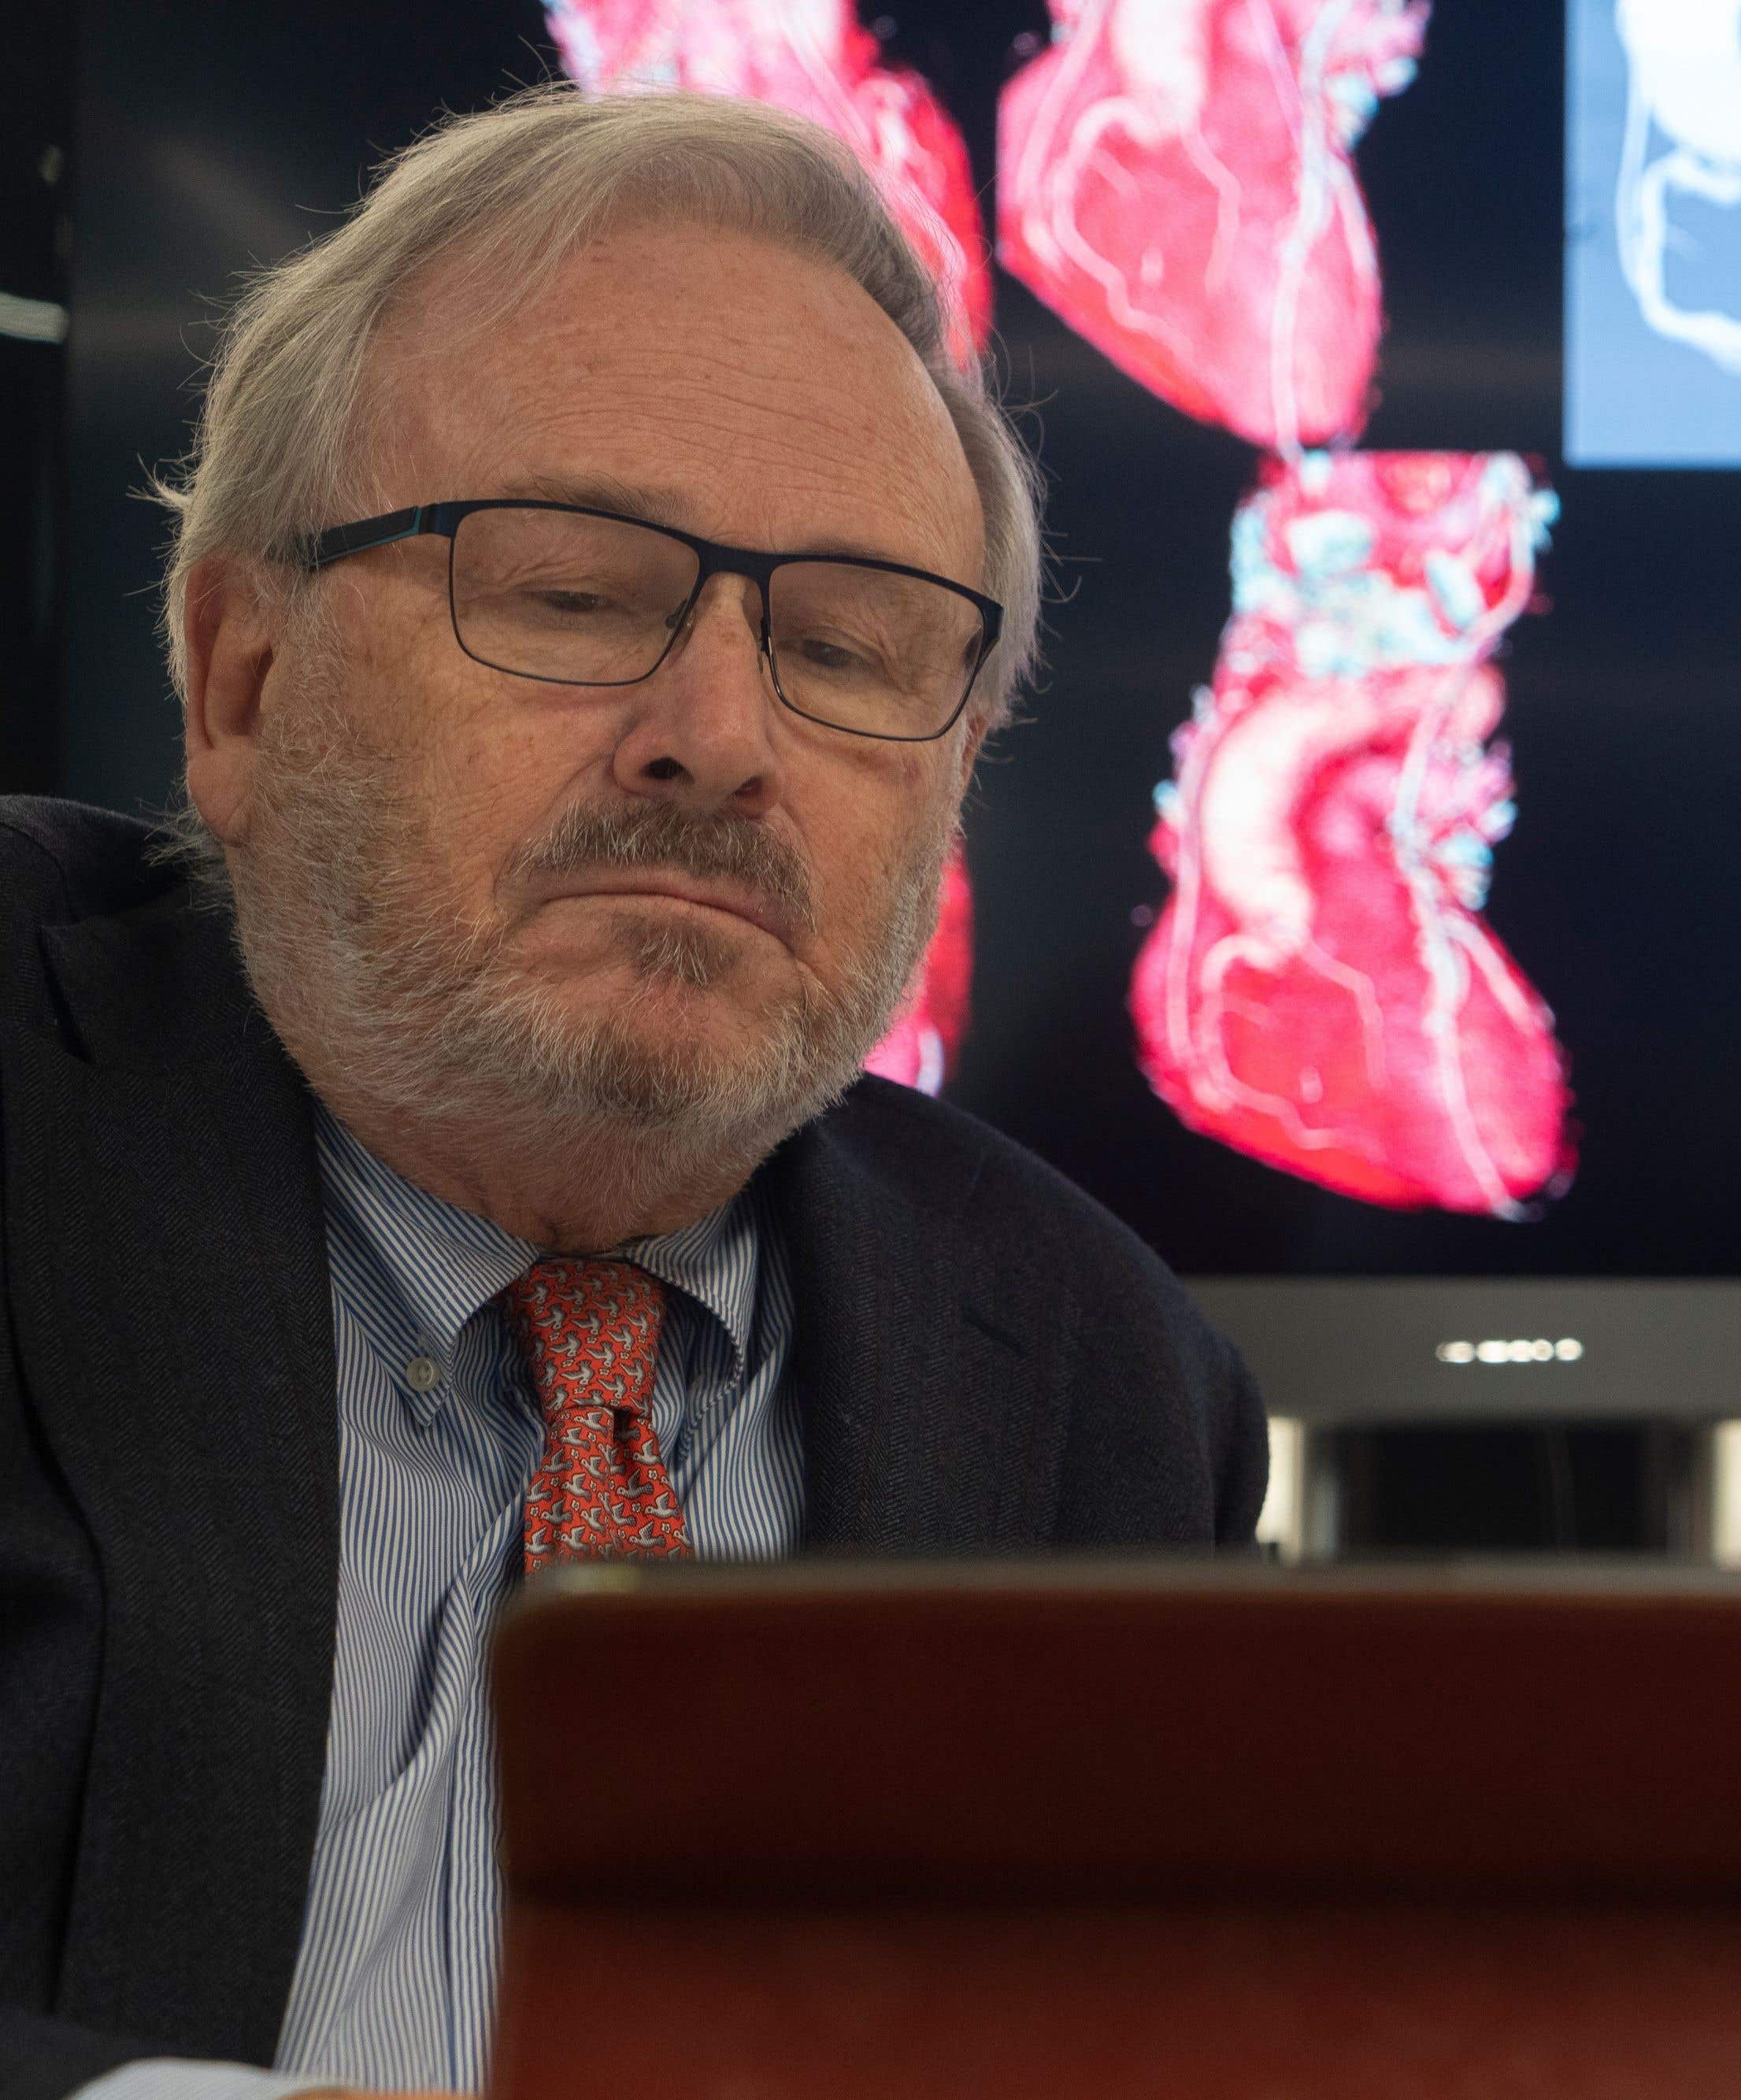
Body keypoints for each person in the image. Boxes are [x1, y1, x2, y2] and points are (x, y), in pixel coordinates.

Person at [0, 87, 1266, 2100]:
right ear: (238, 677)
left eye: (849, 645)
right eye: (573, 593)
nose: (720, 738)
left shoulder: (1103, 1382)